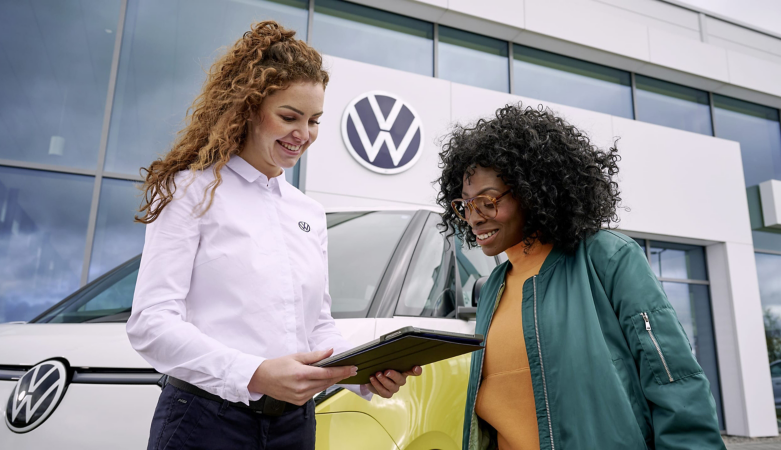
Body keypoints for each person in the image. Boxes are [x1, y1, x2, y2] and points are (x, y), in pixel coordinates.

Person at [126, 21, 420, 450]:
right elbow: (150, 324)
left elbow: (317, 326)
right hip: (204, 424)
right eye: (289, 116)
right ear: (247, 108)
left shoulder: (309, 213)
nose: (303, 135)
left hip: (294, 429)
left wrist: (362, 372)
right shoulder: (190, 191)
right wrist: (255, 373)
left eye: (314, 120)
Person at [436, 103, 725, 450]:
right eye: (466, 204)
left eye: (488, 200)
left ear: (533, 189)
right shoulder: (494, 286)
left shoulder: (607, 257)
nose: (475, 217)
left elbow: (675, 381)